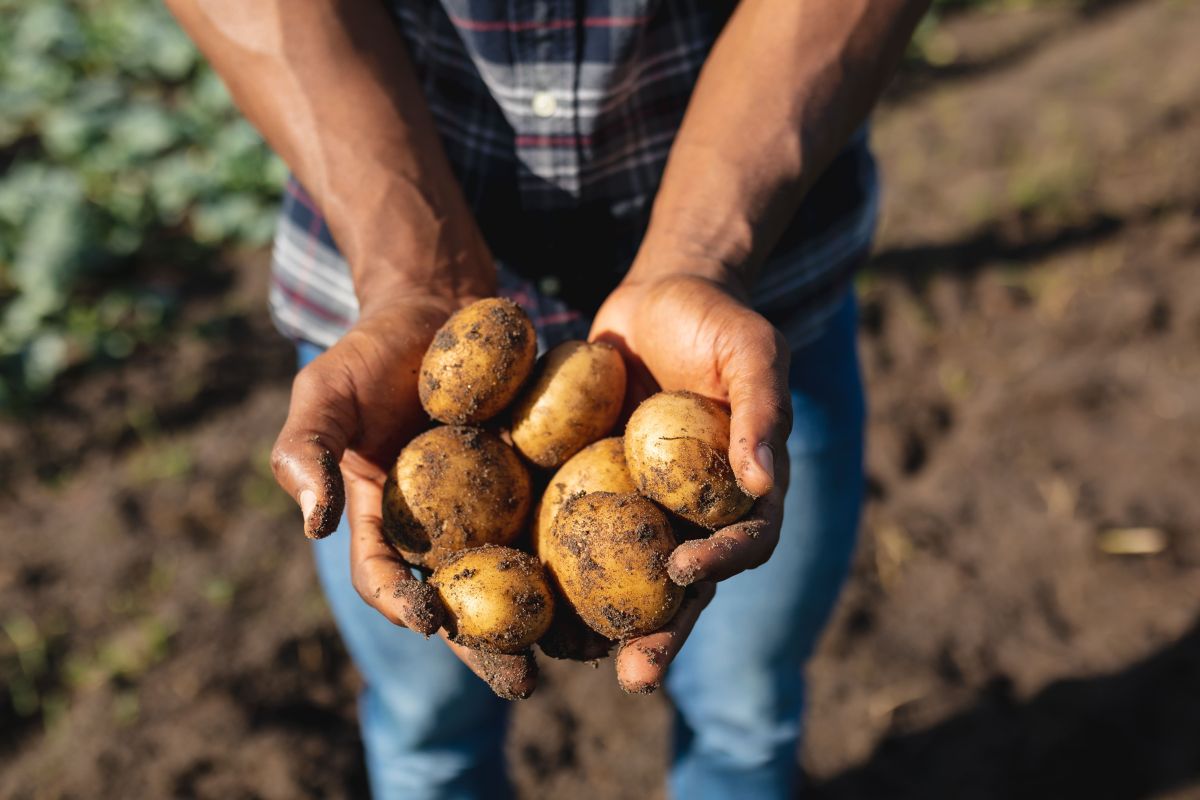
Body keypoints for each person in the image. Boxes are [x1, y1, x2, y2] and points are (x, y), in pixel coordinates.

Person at [167, 1, 929, 796]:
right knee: (424, 723)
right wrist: (410, 275)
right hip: (384, 313)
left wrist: (703, 256)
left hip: (748, 313)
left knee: (745, 707)